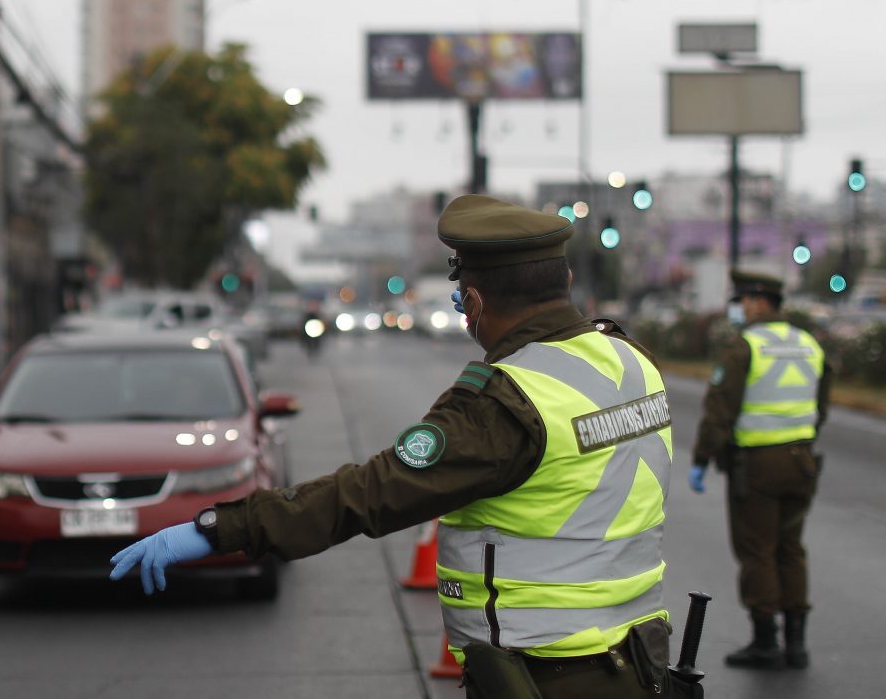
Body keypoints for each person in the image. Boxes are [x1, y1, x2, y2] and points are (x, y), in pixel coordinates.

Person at [111, 195, 678, 698]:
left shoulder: (506, 401)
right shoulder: (632, 360)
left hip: (547, 674)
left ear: (474, 302)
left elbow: (369, 493)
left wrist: (222, 528)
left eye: (461, 302)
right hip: (641, 662)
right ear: (567, 279)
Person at [689, 269, 830, 670]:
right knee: (791, 548)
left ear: (757, 302)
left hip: (757, 464)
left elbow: (719, 410)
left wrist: (702, 457)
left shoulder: (744, 346)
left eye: (742, 302)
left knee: (757, 550)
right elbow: (821, 404)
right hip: (802, 460)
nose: (739, 310)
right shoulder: (808, 343)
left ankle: (766, 640)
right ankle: (797, 645)